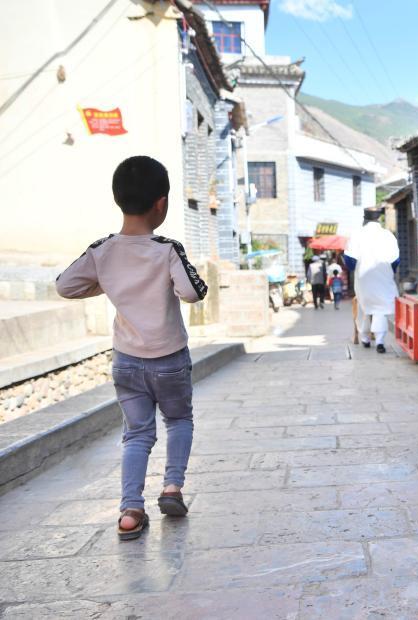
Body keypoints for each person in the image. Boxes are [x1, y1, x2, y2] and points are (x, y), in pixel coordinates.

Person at [56, 155, 208, 541]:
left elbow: (65, 285)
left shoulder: (102, 251)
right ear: (161, 203)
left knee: (137, 435)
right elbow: (193, 292)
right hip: (170, 359)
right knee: (179, 421)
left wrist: (107, 284)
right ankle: (172, 488)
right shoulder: (166, 249)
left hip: (126, 362)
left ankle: (130, 510)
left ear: (117, 199)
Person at [344, 208, 399, 353]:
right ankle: (380, 342)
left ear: (365, 219)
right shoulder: (388, 235)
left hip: (363, 278)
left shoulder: (357, 235)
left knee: (364, 307)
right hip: (384, 277)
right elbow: (396, 260)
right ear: (378, 219)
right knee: (380, 308)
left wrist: (356, 269)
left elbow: (349, 260)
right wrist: (387, 272)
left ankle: (365, 339)